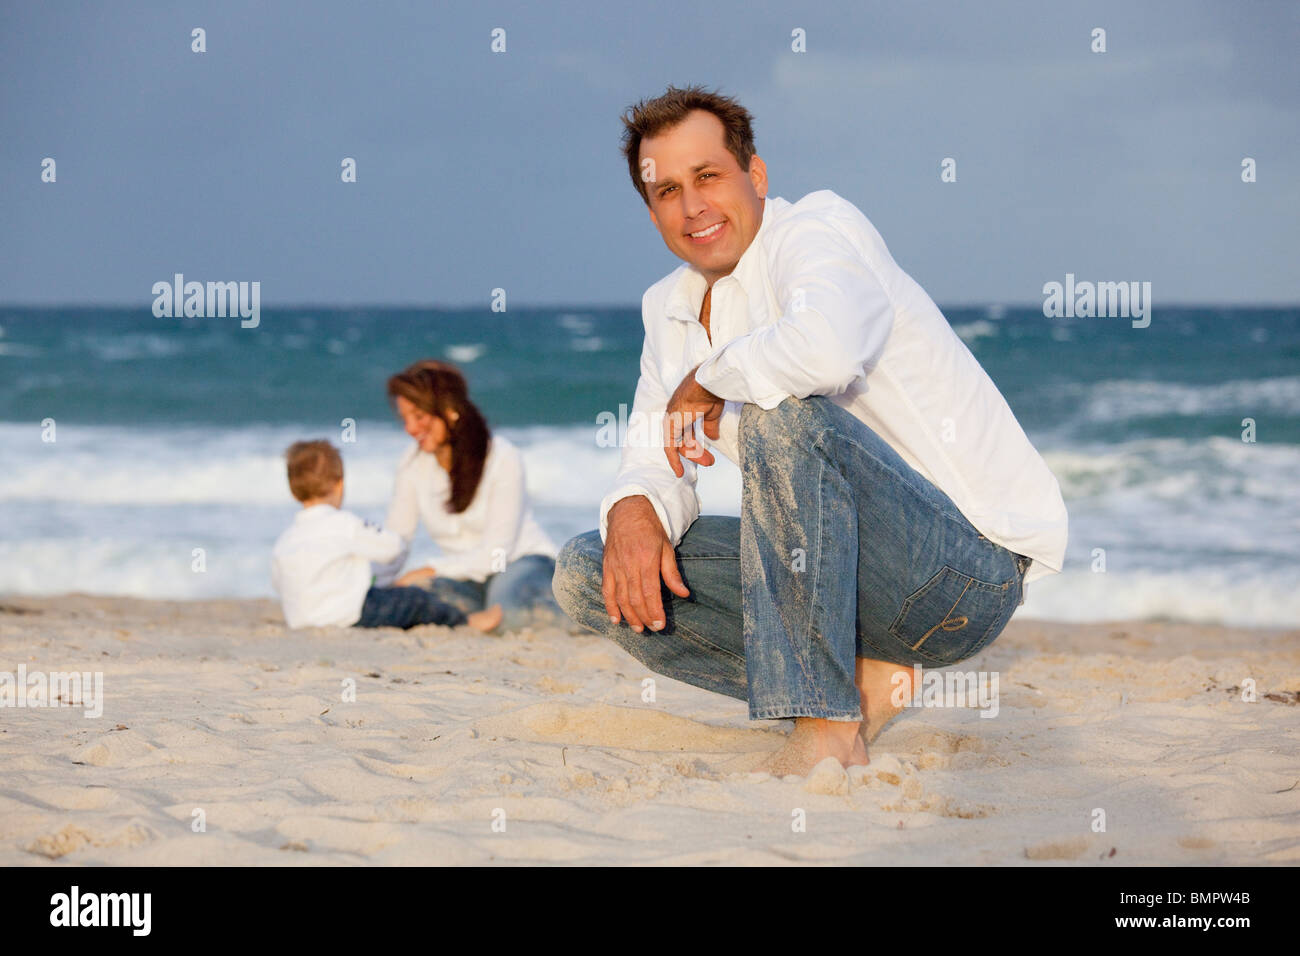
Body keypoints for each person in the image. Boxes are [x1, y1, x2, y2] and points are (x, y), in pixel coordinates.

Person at [552, 86, 1068, 776]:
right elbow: (654, 450)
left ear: (755, 176)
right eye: (668, 190)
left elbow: (823, 351)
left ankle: (827, 727)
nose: (693, 206)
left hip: (963, 572)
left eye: (708, 176)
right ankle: (858, 676)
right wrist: (635, 507)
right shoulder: (668, 307)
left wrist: (711, 376)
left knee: (781, 417)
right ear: (652, 214)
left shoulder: (817, 230)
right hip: (847, 585)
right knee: (591, 572)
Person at [379, 360, 564, 632]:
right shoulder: (411, 463)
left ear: (450, 410)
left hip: (519, 562)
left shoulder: (502, 457)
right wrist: (373, 586)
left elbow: (495, 553)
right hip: (462, 577)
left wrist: (429, 569)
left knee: (511, 613)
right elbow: (396, 541)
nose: (410, 428)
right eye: (404, 418)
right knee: (410, 603)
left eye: (418, 416)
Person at [271, 440, 502, 632]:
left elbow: (279, 582)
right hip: (349, 614)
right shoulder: (345, 524)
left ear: (293, 491)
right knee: (414, 600)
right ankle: (466, 622)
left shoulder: (286, 539)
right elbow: (390, 548)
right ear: (339, 485)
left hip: (301, 620)